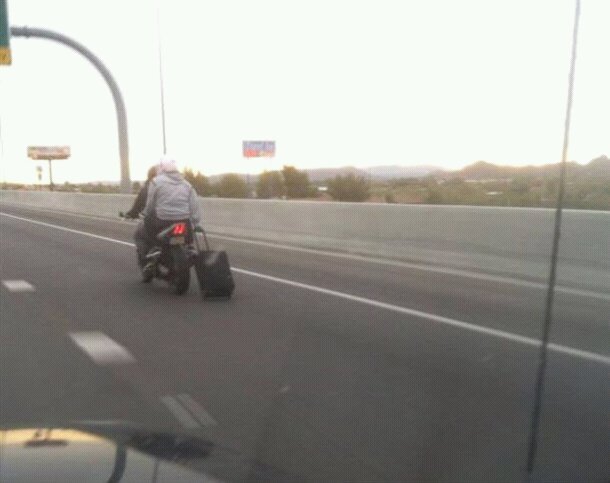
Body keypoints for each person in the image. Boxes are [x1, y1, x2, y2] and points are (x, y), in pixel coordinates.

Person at [134, 156, 201, 270]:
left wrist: (145, 214)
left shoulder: (156, 182)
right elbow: (194, 206)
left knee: (142, 229)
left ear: (162, 168)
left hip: (162, 221)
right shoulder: (187, 185)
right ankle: (188, 248)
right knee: (189, 242)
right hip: (184, 222)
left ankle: (154, 248)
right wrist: (195, 222)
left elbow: (150, 204)